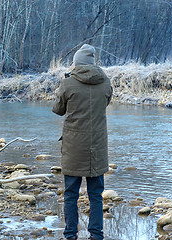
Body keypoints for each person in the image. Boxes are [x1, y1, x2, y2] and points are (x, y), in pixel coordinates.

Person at [52, 44, 113, 240]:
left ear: (77, 63)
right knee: (96, 195)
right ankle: (96, 235)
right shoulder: (105, 82)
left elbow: (57, 109)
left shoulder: (68, 84)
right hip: (97, 147)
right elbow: (106, 101)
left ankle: (70, 235)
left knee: (71, 194)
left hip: (73, 147)